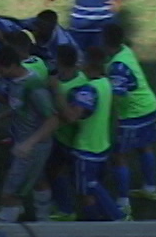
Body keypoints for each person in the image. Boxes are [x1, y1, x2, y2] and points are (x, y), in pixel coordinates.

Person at [16, 46, 126, 221]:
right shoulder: (100, 81)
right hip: (94, 143)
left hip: (80, 146)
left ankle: (111, 218)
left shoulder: (84, 89)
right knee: (59, 173)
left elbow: (70, 116)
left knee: (87, 189)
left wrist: (56, 91)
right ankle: (67, 210)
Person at [0, 45, 56, 237]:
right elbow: (15, 104)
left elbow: (53, 119)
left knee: (9, 195)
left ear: (10, 65)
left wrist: (30, 143)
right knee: (39, 180)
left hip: (32, 147)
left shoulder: (34, 87)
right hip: (25, 144)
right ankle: (45, 225)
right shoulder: (13, 81)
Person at [104, 24, 156, 214]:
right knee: (145, 146)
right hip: (149, 106)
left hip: (133, 115)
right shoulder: (125, 50)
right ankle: (150, 188)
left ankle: (122, 202)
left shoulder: (118, 67)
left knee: (119, 157)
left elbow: (117, 94)